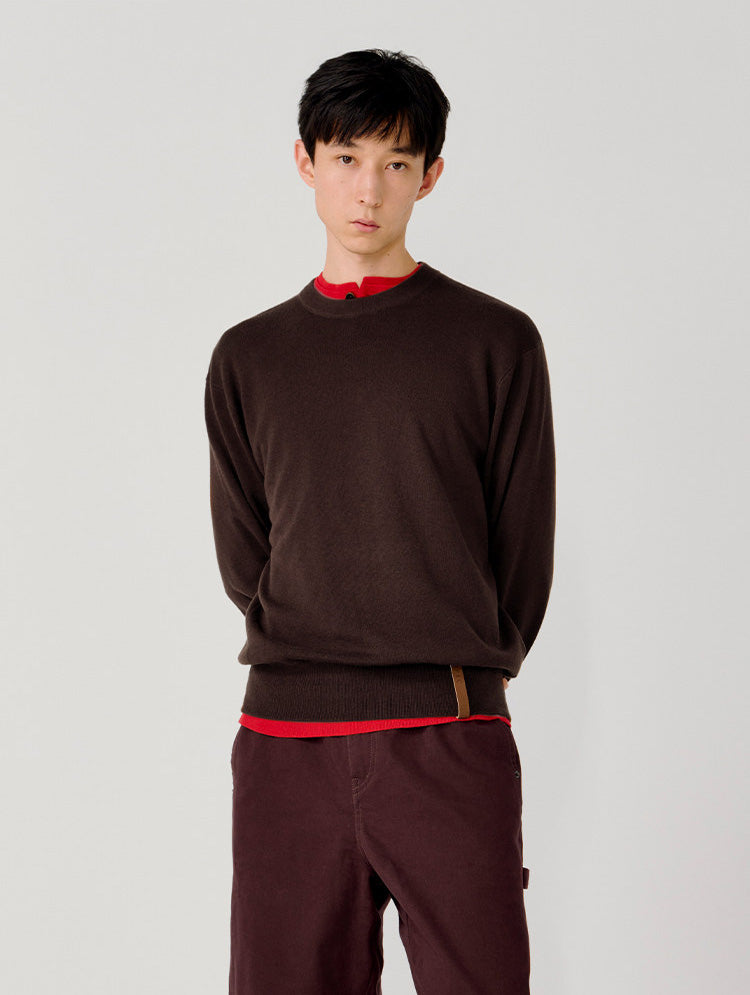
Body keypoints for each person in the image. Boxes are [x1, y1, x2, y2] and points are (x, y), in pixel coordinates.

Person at [204, 47, 556, 995]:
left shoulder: (495, 341)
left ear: (430, 176)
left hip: (450, 732)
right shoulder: (248, 357)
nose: (369, 189)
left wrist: (457, 659)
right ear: (305, 161)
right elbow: (245, 555)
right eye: (347, 158)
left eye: (397, 162)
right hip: (285, 741)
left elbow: (522, 549)